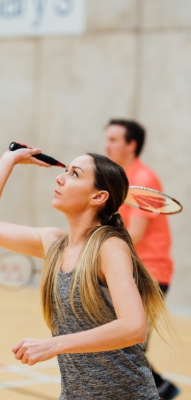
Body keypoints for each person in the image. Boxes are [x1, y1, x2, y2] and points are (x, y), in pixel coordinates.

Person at [0, 146, 167, 399]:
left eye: (74, 174)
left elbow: (133, 327)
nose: (59, 178)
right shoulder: (54, 243)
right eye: (66, 171)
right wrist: (9, 160)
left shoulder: (110, 248)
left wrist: (54, 344)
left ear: (98, 197)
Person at [104, 119, 180, 400]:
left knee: (127, 347)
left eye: (113, 139)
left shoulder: (145, 180)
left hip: (150, 274)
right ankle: (162, 388)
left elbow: (133, 234)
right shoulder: (117, 178)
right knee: (122, 346)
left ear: (131, 144)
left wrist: (93, 250)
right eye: (107, 139)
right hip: (127, 272)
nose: (106, 145)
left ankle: (158, 390)